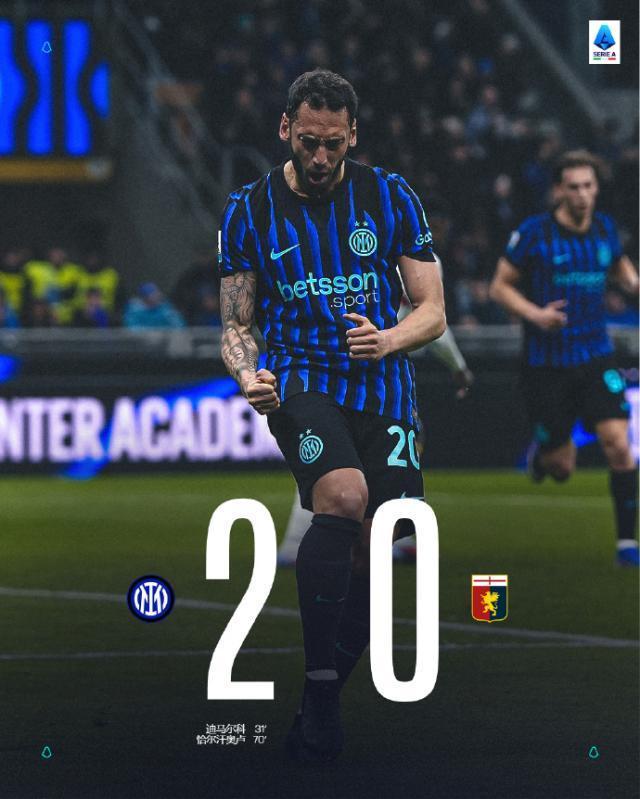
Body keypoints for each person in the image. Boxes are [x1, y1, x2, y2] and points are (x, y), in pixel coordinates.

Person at [219, 69, 445, 763]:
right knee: (344, 496)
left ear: (353, 136)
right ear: (286, 128)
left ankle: (319, 700)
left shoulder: (390, 195)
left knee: (382, 541)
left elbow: (433, 311)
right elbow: (237, 324)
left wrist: (389, 339)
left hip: (384, 385)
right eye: (309, 142)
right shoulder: (248, 209)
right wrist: (249, 374)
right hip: (302, 378)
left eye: (334, 145)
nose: (321, 158)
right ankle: (322, 694)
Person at [490, 149, 639, 567]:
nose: (582, 195)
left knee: (619, 445)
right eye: (573, 187)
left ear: (596, 188)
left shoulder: (605, 229)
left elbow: (624, 273)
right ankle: (545, 455)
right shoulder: (534, 233)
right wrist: (536, 314)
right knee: (562, 468)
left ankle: (626, 543)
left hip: (596, 356)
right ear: (558, 190)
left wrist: (634, 284)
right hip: (546, 363)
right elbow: (500, 286)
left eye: (588, 186)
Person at [276, 252, 473, 566]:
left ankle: (306, 544)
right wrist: (459, 367)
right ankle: (309, 544)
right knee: (342, 466)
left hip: (358, 379)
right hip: (363, 381)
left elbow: (432, 319)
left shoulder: (380, 251)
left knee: (337, 465)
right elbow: (432, 323)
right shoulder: (416, 257)